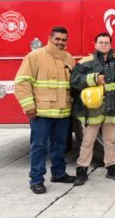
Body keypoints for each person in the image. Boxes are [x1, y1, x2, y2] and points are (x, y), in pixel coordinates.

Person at [14, 26, 75, 194]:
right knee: (39, 146)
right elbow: (22, 82)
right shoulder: (35, 56)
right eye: (58, 39)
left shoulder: (69, 58)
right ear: (50, 38)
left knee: (60, 146)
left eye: (64, 40)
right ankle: (36, 179)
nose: (61, 43)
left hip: (63, 113)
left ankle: (59, 174)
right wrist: (28, 106)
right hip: (41, 113)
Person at [70, 32, 115, 185]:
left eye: (106, 42)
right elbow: (74, 81)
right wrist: (93, 79)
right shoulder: (86, 62)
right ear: (95, 44)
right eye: (101, 42)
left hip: (112, 109)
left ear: (110, 45)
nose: (104, 45)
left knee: (110, 141)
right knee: (88, 141)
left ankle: (112, 168)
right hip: (92, 110)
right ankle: (82, 170)